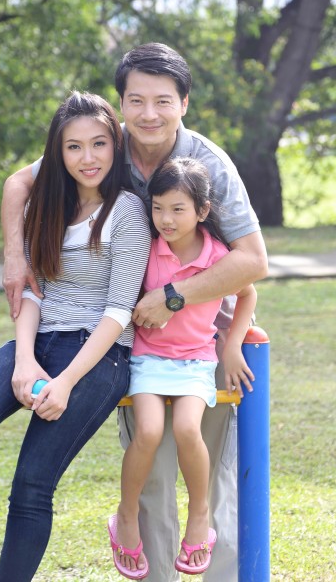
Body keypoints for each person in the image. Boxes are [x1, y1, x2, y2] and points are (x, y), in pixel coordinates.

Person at [0, 43, 268, 582]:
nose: (149, 114)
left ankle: (217, 569)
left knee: (212, 469)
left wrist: (174, 298)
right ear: (120, 103)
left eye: (163, 101)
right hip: (135, 339)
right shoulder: (103, 145)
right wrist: (14, 255)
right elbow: (18, 183)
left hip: (203, 339)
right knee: (151, 470)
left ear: (184, 103)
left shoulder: (209, 164)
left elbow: (254, 262)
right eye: (136, 100)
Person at [0, 91, 151, 582]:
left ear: (115, 146)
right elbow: (34, 290)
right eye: (74, 147)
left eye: (99, 144)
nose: (87, 157)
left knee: (32, 483)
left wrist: (67, 381)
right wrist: (24, 360)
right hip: (39, 340)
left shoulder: (128, 212)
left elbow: (119, 311)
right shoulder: (47, 205)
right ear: (57, 152)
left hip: (99, 355)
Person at [108, 157, 257, 580]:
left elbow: (247, 294)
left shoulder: (218, 255)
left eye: (177, 209)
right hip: (148, 357)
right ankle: (126, 516)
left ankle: (199, 516)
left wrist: (232, 345)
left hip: (195, 360)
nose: (166, 219)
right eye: (158, 208)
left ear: (202, 211)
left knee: (189, 429)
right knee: (149, 431)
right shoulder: (147, 249)